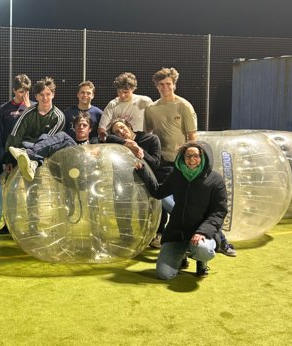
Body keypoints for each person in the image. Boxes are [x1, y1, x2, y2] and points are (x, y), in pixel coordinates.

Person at [143, 67, 236, 256]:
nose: (164, 87)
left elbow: (192, 137)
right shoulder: (151, 109)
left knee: (187, 205)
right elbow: (149, 135)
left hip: (183, 166)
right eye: (161, 84)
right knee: (164, 202)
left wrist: (188, 160)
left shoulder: (184, 105)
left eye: (168, 84)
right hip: (163, 164)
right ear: (156, 86)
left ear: (174, 84)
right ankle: (166, 237)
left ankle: (220, 240)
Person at [135, 141, 226, 279]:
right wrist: (143, 171)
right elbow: (158, 192)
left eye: (196, 156)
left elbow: (219, 211)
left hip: (200, 232)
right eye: (188, 156)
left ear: (203, 157)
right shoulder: (177, 176)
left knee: (203, 250)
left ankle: (202, 263)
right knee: (163, 274)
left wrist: (203, 232)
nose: (191, 160)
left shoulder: (216, 180)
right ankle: (181, 255)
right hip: (177, 233)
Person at [5, 77, 66, 181]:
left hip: (46, 156)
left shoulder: (59, 117)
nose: (45, 98)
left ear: (53, 95)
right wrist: (8, 160)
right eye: (41, 94)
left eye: (48, 94)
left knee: (46, 138)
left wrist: (31, 153)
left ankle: (33, 162)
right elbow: (15, 135)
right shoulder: (27, 113)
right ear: (36, 96)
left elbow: (48, 143)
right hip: (24, 149)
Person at [0, 74, 32, 174]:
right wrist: (7, 159)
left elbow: (35, 131)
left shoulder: (34, 107)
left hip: (28, 153)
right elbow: (0, 136)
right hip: (10, 154)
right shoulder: (4, 109)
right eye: (21, 92)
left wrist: (29, 110)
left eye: (27, 92)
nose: (24, 95)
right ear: (14, 90)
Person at [97, 72, 153, 142]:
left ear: (133, 89)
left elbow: (153, 123)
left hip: (141, 141)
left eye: (125, 92)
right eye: (119, 92)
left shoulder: (145, 101)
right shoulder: (112, 104)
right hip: (122, 144)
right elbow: (102, 128)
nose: (122, 95)